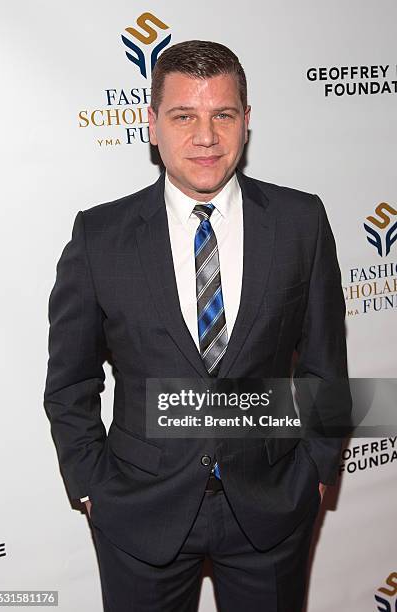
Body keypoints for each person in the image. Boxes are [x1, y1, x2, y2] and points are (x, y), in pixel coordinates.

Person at [44, 40, 351, 612]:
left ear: (246, 121)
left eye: (223, 115)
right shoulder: (100, 237)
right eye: (184, 116)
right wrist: (93, 489)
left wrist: (314, 471)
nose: (205, 136)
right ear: (153, 126)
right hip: (138, 512)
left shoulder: (300, 222)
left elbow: (325, 367)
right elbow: (70, 383)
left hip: (273, 506)